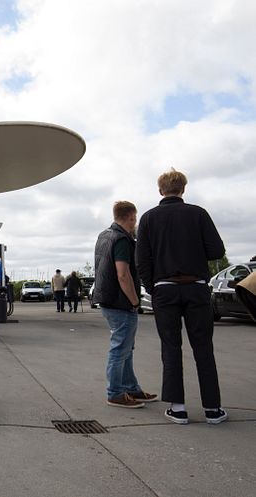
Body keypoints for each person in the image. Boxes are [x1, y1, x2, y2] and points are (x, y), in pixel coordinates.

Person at [136, 169, 226, 424]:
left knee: (171, 347)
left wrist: (153, 288)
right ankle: (212, 409)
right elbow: (217, 250)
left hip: (164, 289)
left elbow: (141, 260)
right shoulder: (198, 214)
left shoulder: (149, 218)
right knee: (203, 348)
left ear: (160, 190)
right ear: (183, 189)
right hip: (196, 287)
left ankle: (178, 407)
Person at [93, 201, 157, 409]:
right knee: (120, 348)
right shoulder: (122, 239)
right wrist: (135, 301)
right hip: (121, 303)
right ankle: (115, 393)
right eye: (135, 219)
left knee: (126, 348)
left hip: (107, 299)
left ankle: (130, 388)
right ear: (131, 217)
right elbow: (123, 274)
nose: (135, 222)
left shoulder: (104, 236)